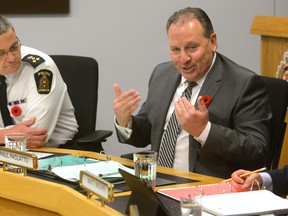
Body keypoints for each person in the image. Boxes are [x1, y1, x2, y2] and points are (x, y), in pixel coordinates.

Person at [113, 7, 272, 178]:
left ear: (212, 41)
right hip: (156, 184)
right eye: (175, 50)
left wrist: (204, 130)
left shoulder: (244, 83)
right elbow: (147, 132)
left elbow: (257, 150)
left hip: (207, 190)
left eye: (192, 47)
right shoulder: (162, 74)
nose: (183, 59)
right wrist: (126, 122)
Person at [0, 16, 78, 149]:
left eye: (14, 47)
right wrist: (4, 136)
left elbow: (35, 136)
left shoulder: (41, 69)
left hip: (57, 154)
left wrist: (4, 136)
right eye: (1, 54)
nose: (12, 58)